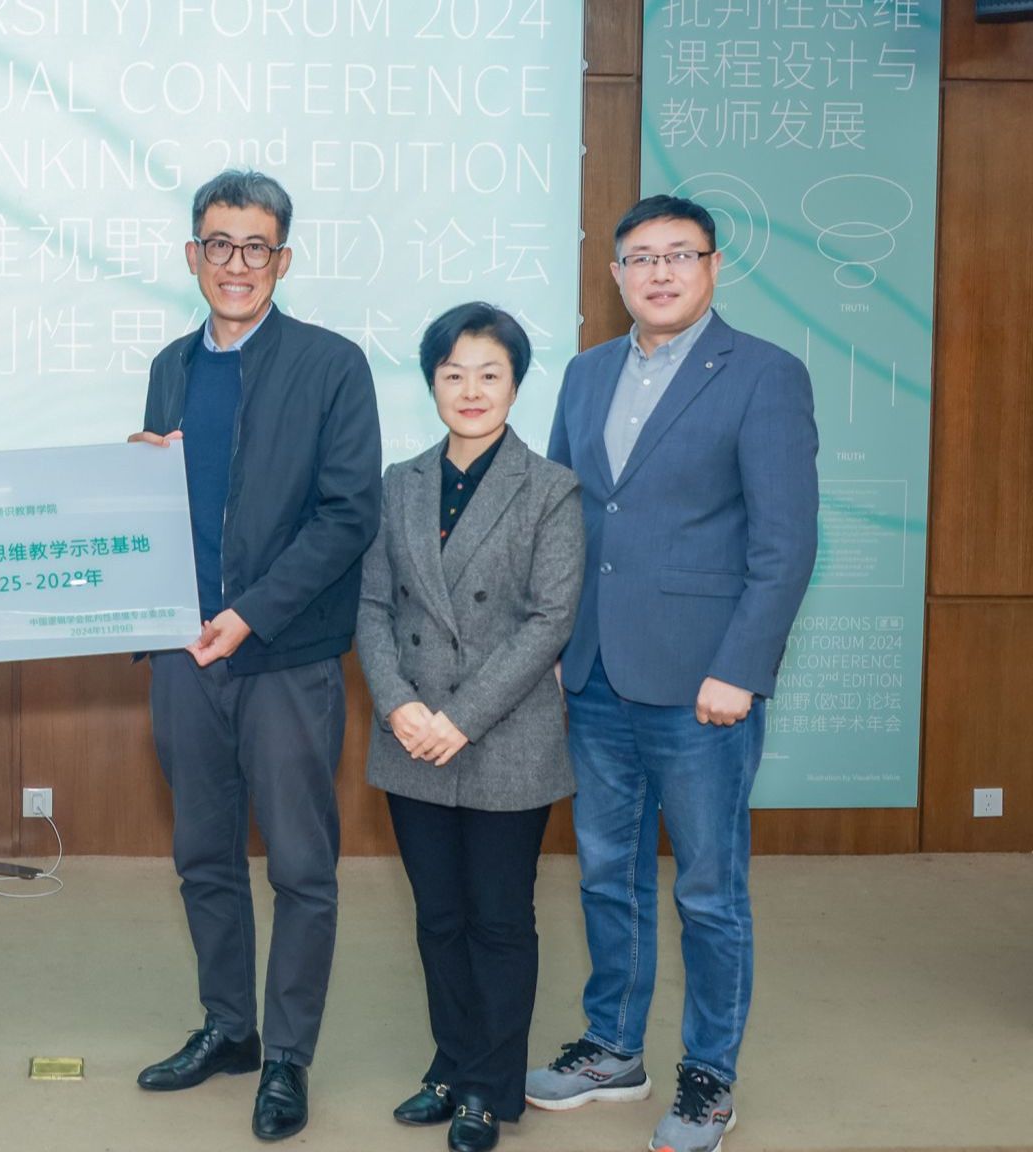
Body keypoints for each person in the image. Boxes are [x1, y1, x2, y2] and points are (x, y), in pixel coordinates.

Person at [526, 195, 818, 1152]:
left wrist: (741, 668)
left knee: (708, 892)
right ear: (616, 275)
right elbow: (563, 520)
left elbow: (785, 543)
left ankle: (708, 1077)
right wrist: (556, 644)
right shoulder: (585, 374)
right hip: (595, 673)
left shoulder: (765, 374)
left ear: (713, 266)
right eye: (641, 258)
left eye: (679, 255)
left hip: (704, 688)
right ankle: (613, 1048)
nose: (660, 272)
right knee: (606, 877)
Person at [130, 169, 383, 1142]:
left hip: (283, 654)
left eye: (255, 247)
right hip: (181, 653)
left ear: (282, 259)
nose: (234, 264)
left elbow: (347, 514)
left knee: (301, 866)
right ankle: (228, 1028)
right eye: (217, 244)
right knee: (202, 855)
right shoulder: (170, 365)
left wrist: (250, 615)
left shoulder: (331, 364)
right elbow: (168, 501)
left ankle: (286, 1056)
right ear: (192, 255)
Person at [355, 303, 584, 1152]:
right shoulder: (400, 483)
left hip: (505, 737)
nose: (472, 389)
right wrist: (397, 704)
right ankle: (449, 1065)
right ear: (432, 384)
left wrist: (461, 717)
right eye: (453, 373)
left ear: (515, 384)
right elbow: (372, 607)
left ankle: (489, 1086)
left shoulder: (550, 488)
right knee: (438, 916)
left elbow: (550, 620)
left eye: (490, 373)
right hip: (412, 734)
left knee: (498, 919)